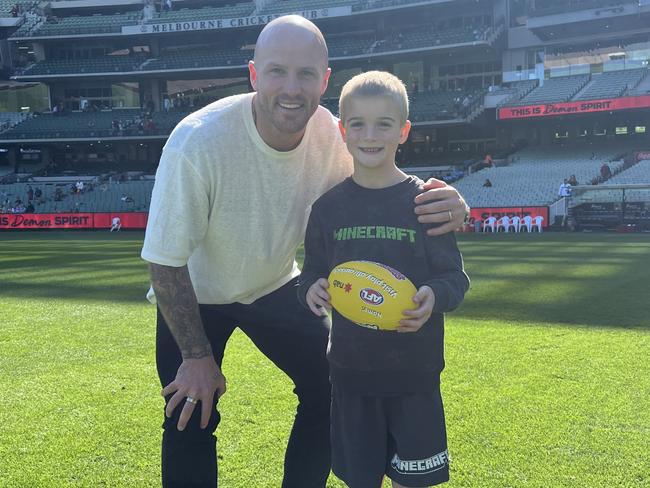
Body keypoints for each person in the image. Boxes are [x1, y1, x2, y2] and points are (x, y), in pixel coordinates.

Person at [141, 16, 469, 488]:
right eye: (277, 71)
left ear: (325, 80)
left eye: (305, 73)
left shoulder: (332, 136)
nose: (291, 88)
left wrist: (455, 203)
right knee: (191, 409)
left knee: (329, 387)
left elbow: (383, 171)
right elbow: (165, 261)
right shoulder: (199, 141)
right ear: (254, 75)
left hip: (276, 284)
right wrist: (196, 357)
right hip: (197, 291)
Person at [297, 71, 469, 488]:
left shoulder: (425, 203)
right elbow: (312, 273)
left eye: (384, 124)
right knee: (361, 480)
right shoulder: (327, 209)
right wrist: (312, 290)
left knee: (416, 483)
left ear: (404, 131)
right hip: (351, 376)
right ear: (342, 130)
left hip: (415, 375)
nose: (369, 134)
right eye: (357, 123)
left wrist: (432, 295)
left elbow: (455, 279)